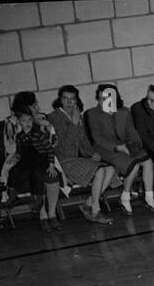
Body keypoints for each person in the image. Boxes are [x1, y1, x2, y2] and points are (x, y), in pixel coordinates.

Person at [84, 83, 154, 214]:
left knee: (147, 161)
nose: (103, 101)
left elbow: (131, 131)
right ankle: (125, 196)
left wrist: (136, 144)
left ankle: (149, 197)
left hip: (125, 145)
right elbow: (98, 139)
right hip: (106, 149)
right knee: (132, 165)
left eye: (107, 98)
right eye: (101, 98)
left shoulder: (124, 111)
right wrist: (118, 148)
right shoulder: (92, 114)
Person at [0, 92, 64, 230]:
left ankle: (52, 213)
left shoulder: (42, 119)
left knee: (52, 174)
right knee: (31, 175)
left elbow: (53, 143)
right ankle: (43, 215)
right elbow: (10, 147)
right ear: (26, 107)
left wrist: (49, 129)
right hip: (20, 157)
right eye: (35, 105)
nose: (38, 108)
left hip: (43, 155)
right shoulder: (11, 123)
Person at [50, 85, 116, 224]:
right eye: (65, 99)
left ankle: (88, 203)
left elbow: (84, 140)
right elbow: (63, 148)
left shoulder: (78, 114)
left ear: (76, 100)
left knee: (110, 169)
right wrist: (73, 125)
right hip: (65, 160)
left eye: (72, 99)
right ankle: (96, 211)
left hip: (79, 158)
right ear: (60, 100)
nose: (69, 103)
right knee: (99, 171)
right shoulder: (54, 117)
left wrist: (93, 153)